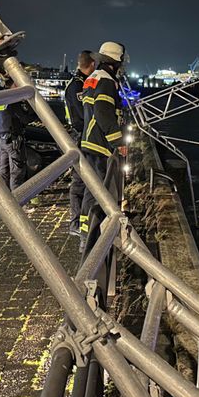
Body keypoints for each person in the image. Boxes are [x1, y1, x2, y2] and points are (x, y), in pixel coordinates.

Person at [78, 41, 128, 247]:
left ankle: (85, 233)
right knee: (97, 191)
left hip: (89, 142)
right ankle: (90, 239)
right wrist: (119, 142)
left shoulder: (93, 78)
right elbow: (103, 113)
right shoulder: (106, 81)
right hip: (100, 145)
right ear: (116, 61)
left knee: (91, 190)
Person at [65, 50, 95, 236]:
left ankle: (82, 220)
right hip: (80, 136)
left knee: (86, 180)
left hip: (82, 135)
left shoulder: (79, 83)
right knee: (79, 181)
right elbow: (81, 116)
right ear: (91, 64)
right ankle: (75, 223)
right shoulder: (77, 86)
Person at [0, 78, 37, 202]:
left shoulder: (0, 99)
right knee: (16, 173)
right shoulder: (12, 100)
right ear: (14, 84)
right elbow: (25, 119)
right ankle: (17, 201)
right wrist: (34, 111)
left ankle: (2, 199)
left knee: (4, 171)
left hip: (2, 140)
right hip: (13, 141)